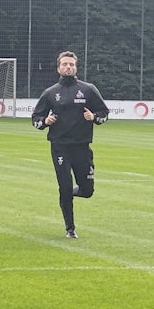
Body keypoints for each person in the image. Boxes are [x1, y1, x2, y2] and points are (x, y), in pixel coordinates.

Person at [30, 50, 109, 238]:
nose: (68, 67)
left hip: (82, 146)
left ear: (76, 67)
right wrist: (45, 122)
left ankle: (68, 194)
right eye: (65, 64)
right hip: (60, 146)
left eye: (71, 64)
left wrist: (94, 117)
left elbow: (104, 113)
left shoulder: (88, 89)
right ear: (58, 68)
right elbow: (36, 118)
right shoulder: (51, 93)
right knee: (64, 186)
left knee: (87, 190)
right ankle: (70, 228)